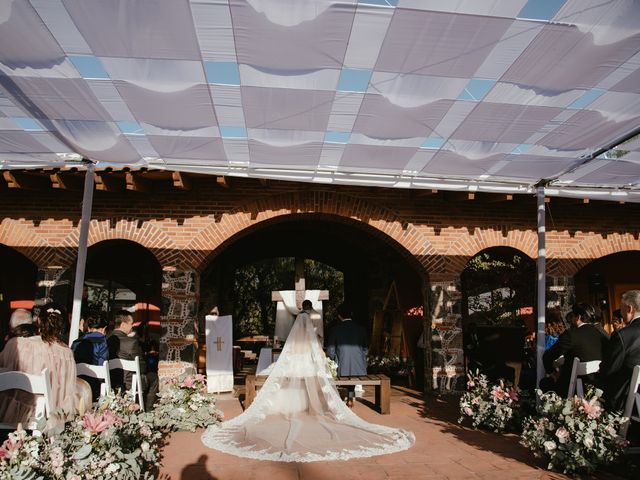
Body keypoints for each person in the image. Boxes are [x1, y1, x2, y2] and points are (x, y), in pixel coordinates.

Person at [201, 304, 414, 461]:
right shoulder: (333, 334)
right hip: (315, 366)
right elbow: (323, 353)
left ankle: (296, 406)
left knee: (276, 375)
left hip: (296, 364)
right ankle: (338, 402)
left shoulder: (295, 341)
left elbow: (291, 355)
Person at [0, 303, 77, 428]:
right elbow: (67, 395)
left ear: (38, 320)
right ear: (62, 324)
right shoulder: (66, 354)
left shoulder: (18, 345)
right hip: (49, 419)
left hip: (13, 413)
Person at [541, 303, 608, 397]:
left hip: (571, 389)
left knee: (545, 383)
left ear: (578, 317)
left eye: (572, 316)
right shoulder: (602, 334)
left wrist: (552, 373)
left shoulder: (571, 335)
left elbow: (548, 356)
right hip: (598, 387)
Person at [107, 310, 158, 410]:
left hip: (110, 379)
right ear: (123, 325)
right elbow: (141, 367)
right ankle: (148, 411)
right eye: (131, 324)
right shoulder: (132, 342)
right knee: (154, 377)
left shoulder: (106, 339)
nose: (132, 326)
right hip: (129, 382)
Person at [599, 290, 640, 412]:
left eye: (621, 308)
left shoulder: (623, 335)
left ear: (629, 308)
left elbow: (609, 370)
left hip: (627, 398)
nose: (620, 313)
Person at [71, 314, 109, 402]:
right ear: (104, 329)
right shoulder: (102, 343)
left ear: (88, 328)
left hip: (76, 386)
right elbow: (102, 366)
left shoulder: (76, 342)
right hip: (95, 388)